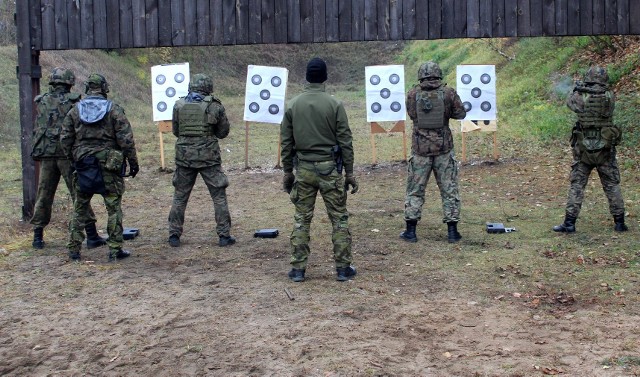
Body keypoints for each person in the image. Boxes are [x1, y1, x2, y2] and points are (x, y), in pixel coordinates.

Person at [280, 57, 359, 283]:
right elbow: (346, 140)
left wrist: (288, 172)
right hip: (329, 169)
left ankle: (298, 269)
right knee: (339, 220)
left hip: (303, 170)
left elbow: (286, 142)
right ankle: (343, 268)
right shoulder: (334, 104)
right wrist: (350, 172)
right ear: (325, 77)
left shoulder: (293, 104)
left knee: (301, 219)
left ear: (306, 77)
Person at [61, 73, 139, 261]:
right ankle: (114, 250)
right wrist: (133, 162)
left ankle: (74, 250)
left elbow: (65, 139)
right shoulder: (114, 110)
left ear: (87, 88)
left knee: (80, 208)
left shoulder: (74, 111)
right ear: (104, 88)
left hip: (83, 164)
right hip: (109, 166)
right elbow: (126, 140)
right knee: (113, 209)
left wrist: (73, 160)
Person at [30, 67, 106, 250]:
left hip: (46, 154)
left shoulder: (41, 101)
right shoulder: (73, 102)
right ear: (68, 83)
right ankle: (92, 234)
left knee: (44, 194)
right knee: (79, 193)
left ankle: (37, 236)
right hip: (66, 154)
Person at [553, 65, 627, 233]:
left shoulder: (580, 95)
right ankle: (620, 222)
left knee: (577, 185)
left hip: (583, 148)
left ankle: (569, 223)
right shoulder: (610, 95)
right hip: (605, 148)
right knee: (611, 185)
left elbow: (571, 104)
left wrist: (577, 89)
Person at [400, 61, 467, 244]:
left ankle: (410, 231)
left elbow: (412, 115)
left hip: (420, 150)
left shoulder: (413, 94)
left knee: (415, 190)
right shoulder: (448, 93)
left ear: (421, 75)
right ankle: (452, 232)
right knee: (449, 189)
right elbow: (460, 114)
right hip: (443, 149)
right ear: (439, 74)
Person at [167, 73, 236, 248]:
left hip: (185, 157)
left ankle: (174, 235)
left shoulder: (179, 105)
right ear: (208, 88)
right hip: (209, 158)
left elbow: (176, 131)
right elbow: (223, 133)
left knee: (180, 196)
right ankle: (224, 235)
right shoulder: (215, 107)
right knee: (218, 196)